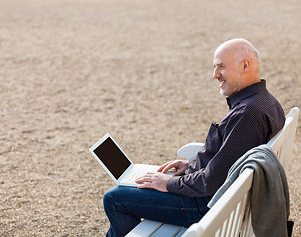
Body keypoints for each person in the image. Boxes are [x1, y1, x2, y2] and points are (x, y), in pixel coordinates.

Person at [103, 38, 285, 237]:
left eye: (221, 67)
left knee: (114, 198)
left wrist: (167, 183)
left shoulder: (247, 114)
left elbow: (212, 181)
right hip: (223, 199)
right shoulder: (266, 102)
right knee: (133, 191)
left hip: (206, 207)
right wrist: (190, 166)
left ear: (244, 65)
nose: (215, 75)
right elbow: (227, 159)